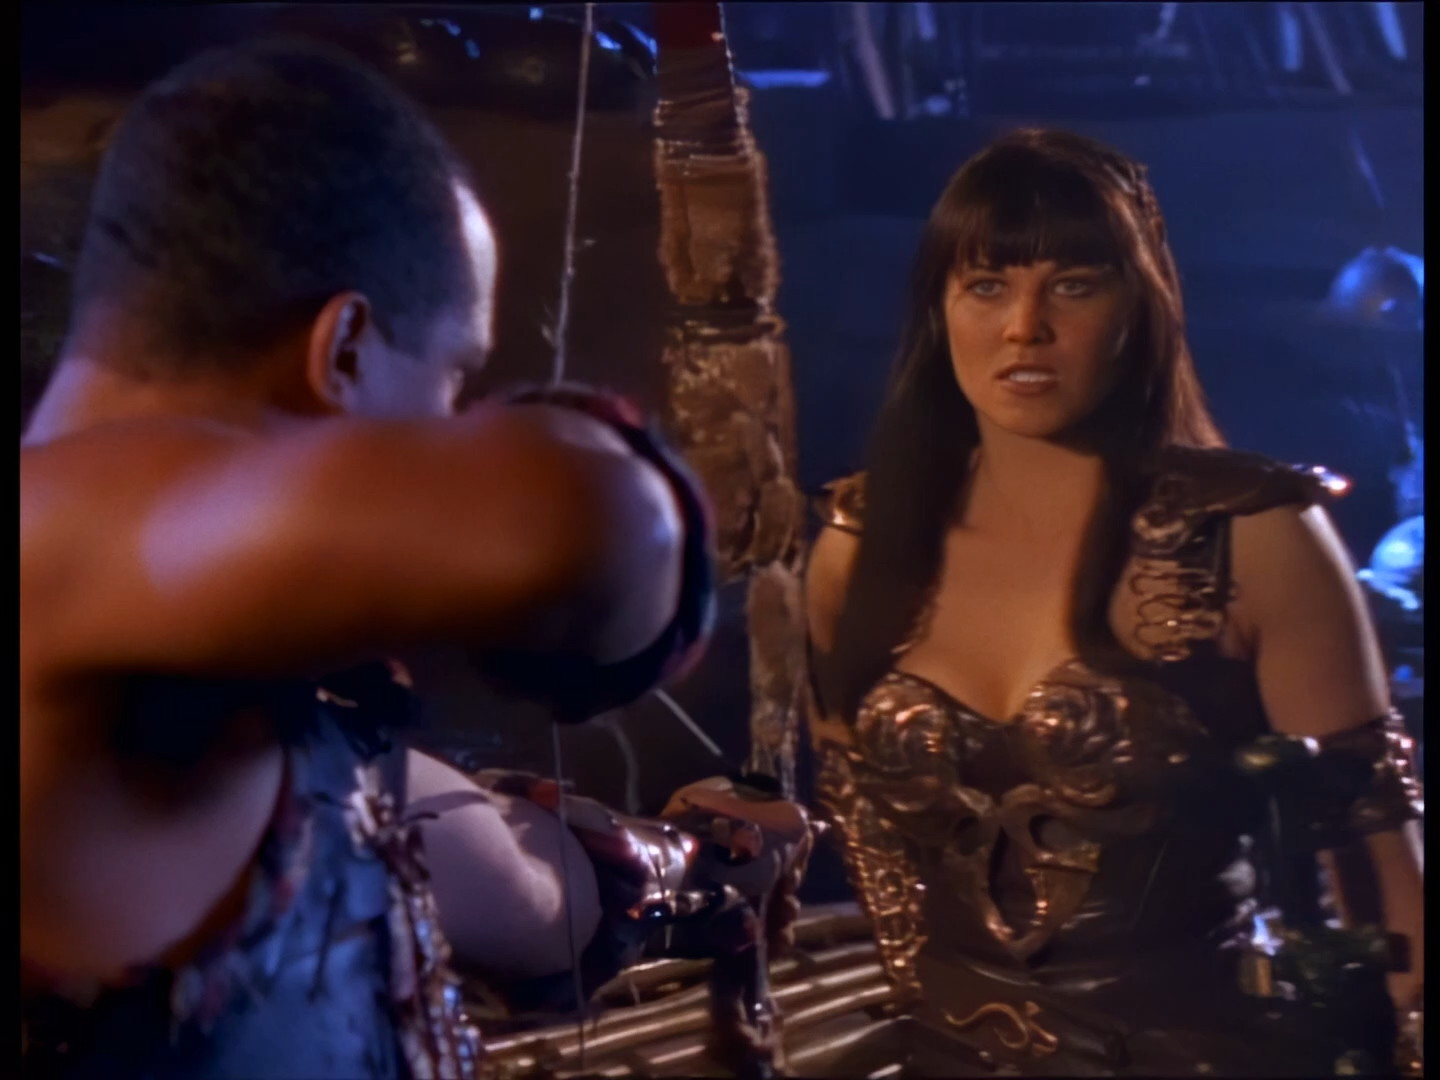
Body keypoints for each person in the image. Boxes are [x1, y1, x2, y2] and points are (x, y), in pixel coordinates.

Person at [20, 39, 811, 1079]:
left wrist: (695, 863)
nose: (453, 426)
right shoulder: (57, 549)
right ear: (344, 350)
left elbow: (500, 876)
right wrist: (594, 493)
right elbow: (595, 522)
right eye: (453, 379)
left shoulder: (215, 685)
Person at [804, 129, 1423, 1077]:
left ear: (1141, 306)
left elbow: (1380, 872)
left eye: (1073, 286)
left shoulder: (1254, 536)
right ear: (939, 309)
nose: (1025, 327)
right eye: (987, 286)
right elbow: (864, 827)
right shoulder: (859, 545)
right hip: (938, 1045)